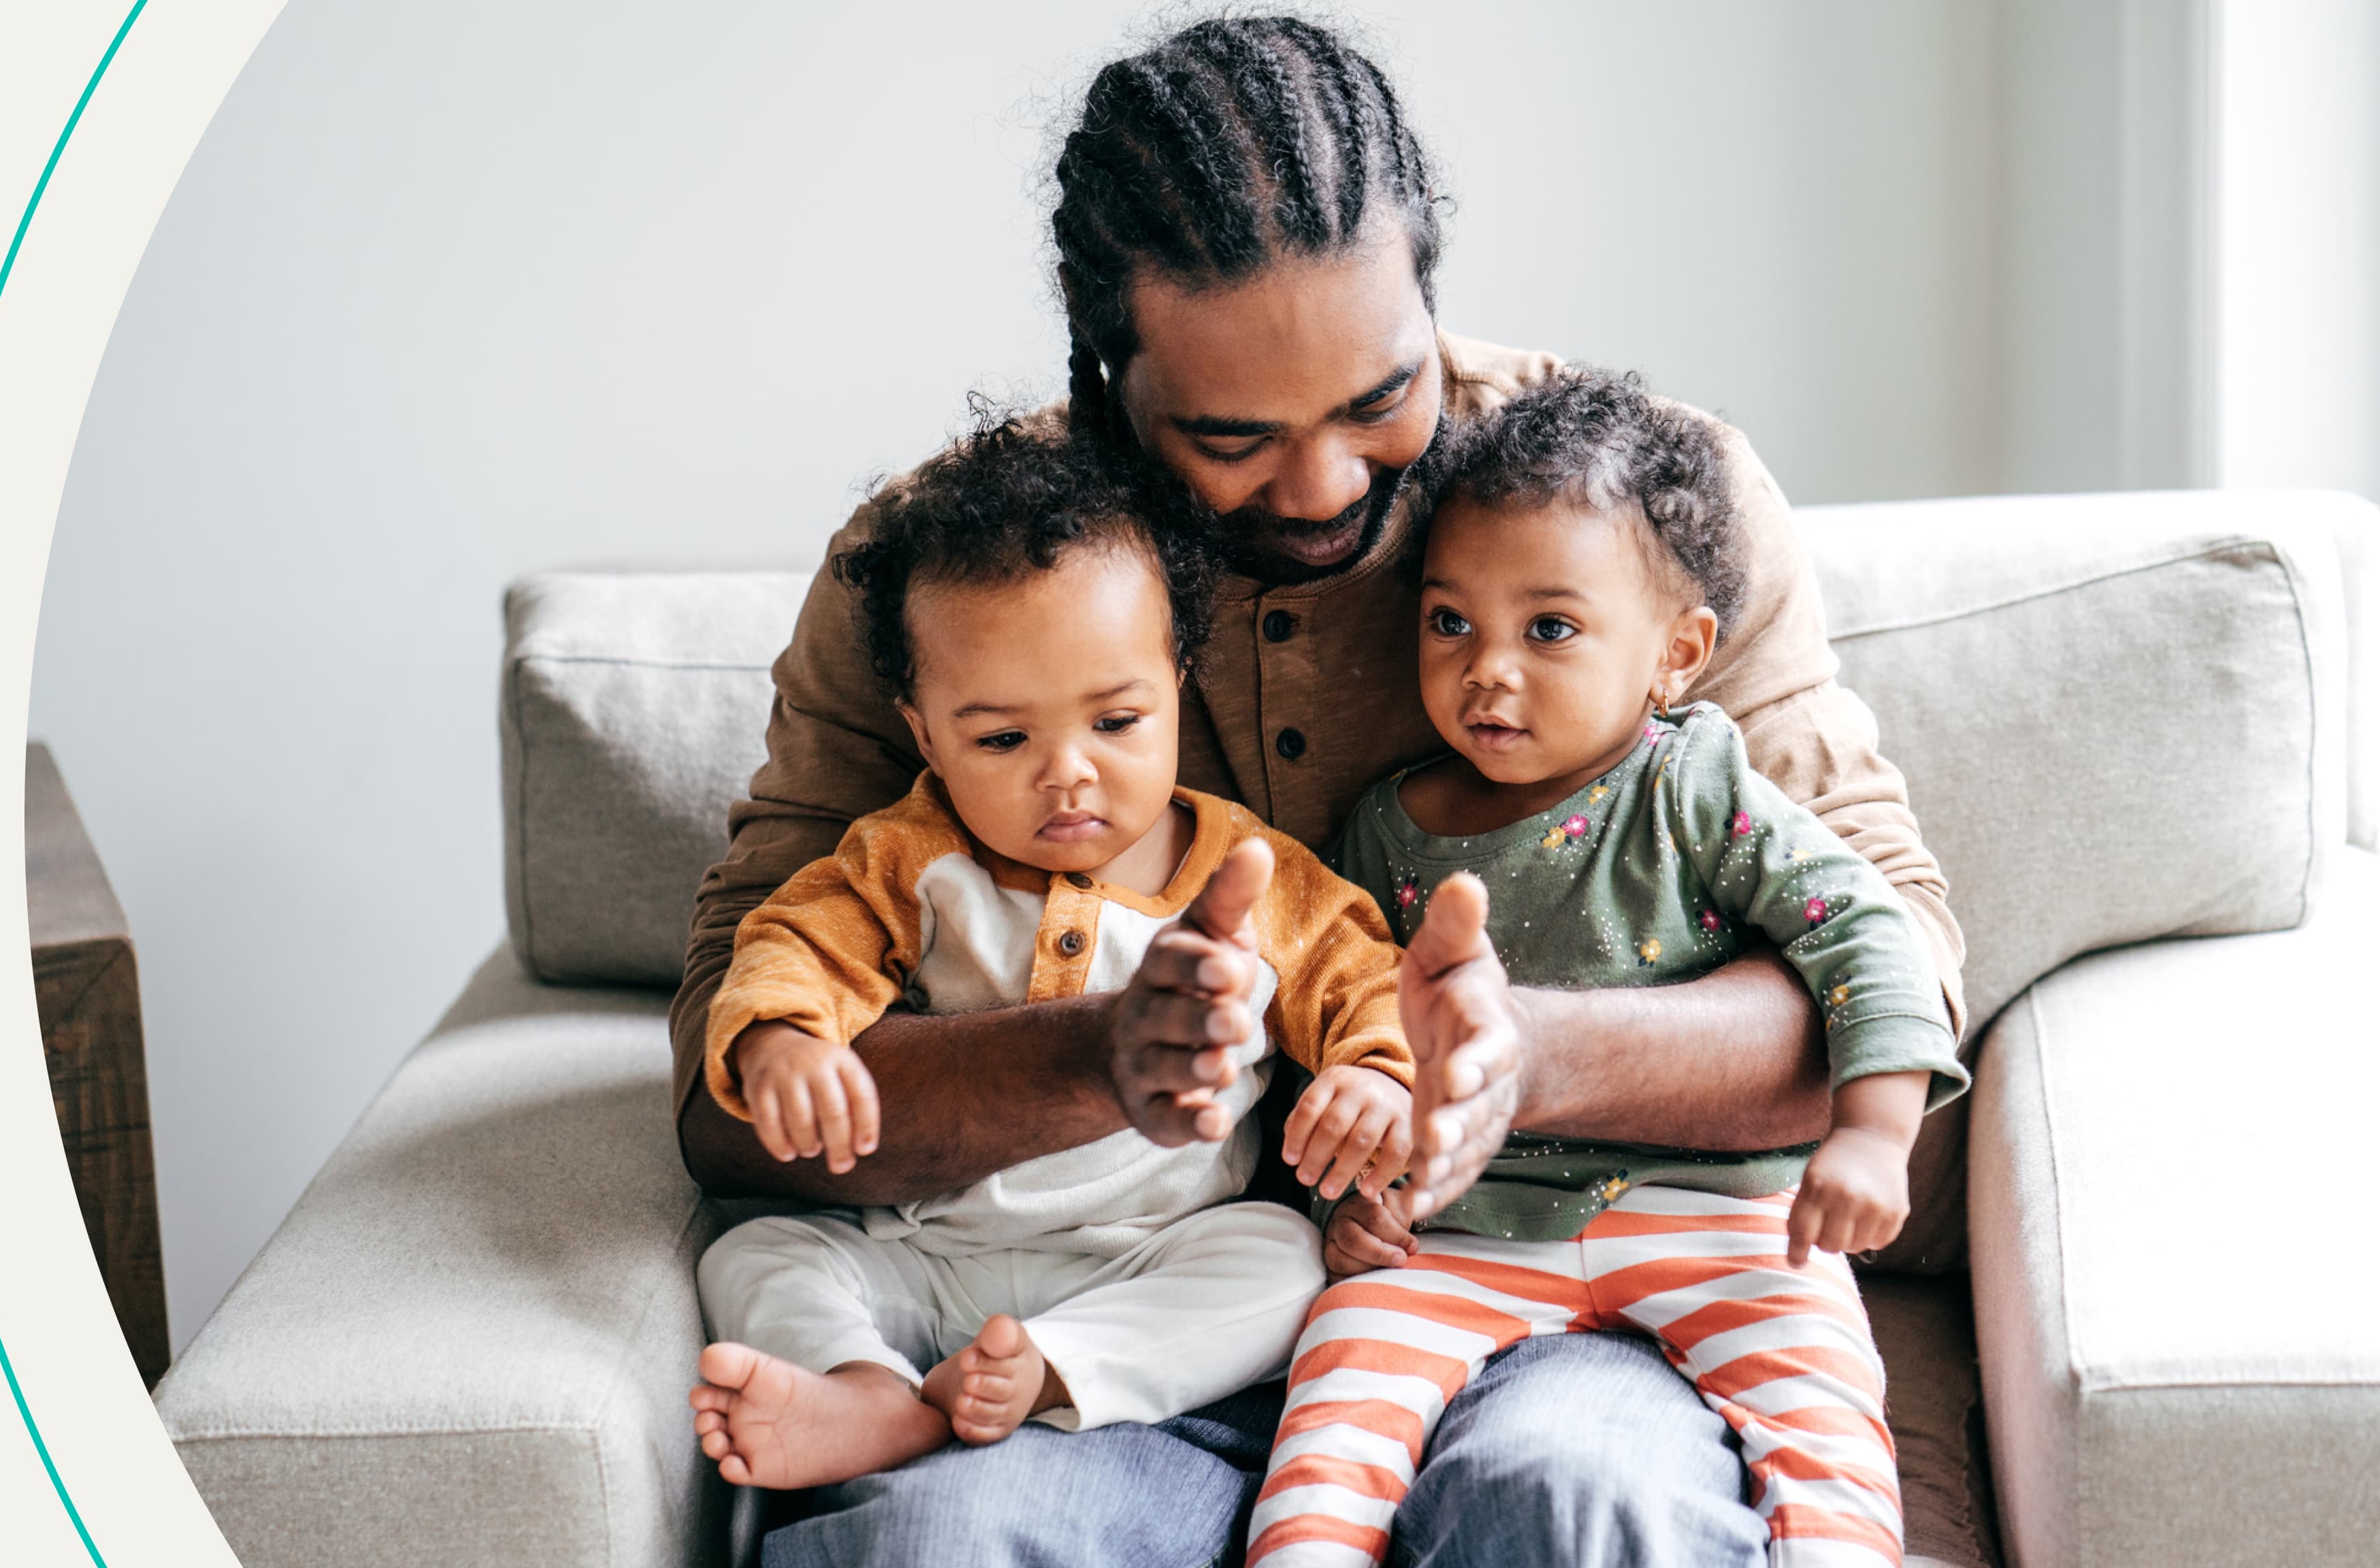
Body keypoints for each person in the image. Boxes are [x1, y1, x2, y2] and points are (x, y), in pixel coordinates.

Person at [673, 17, 1967, 1566]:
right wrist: (1090, 1062)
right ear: (1106, 376)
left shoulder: (1629, 516)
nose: (1327, 487)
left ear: (1430, 296)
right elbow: (722, 1102)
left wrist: (1520, 1055)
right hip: (1081, 1302)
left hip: (1531, 1272)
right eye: (1233, 437)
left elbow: (1892, 953)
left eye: (1382, 400)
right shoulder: (955, 580)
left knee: (1577, 1509)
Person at [1246, 369, 1968, 1568]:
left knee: (1824, 1418)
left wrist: (1873, 1134)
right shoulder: (1380, 831)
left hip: (1721, 1215)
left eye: (1551, 630)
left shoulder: (1697, 785)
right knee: (1337, 1397)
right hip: (1465, 1230)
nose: (1489, 669)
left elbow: (1866, 928)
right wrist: (1351, 1196)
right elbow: (1345, 1031)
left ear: (1673, 656)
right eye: (1448, 622)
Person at [687, 411, 1416, 1489]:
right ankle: (871, 1395)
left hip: (1155, 1252)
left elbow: (1366, 976)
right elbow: (795, 941)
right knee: (752, 1254)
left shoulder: (1250, 870)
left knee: (1279, 1259)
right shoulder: (905, 859)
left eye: (1115, 723)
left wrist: (1373, 1075)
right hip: (929, 1252)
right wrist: (785, 1036)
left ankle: (1060, 1373)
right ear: (925, 732)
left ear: (1179, 685)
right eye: (1001, 739)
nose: (1066, 773)